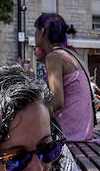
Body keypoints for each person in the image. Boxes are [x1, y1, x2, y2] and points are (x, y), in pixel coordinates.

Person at [34, 12, 96, 143]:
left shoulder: (54, 57)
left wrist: (33, 114)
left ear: (42, 31)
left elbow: (57, 102)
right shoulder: (71, 54)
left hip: (69, 133)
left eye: (36, 29)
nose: (34, 34)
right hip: (83, 131)